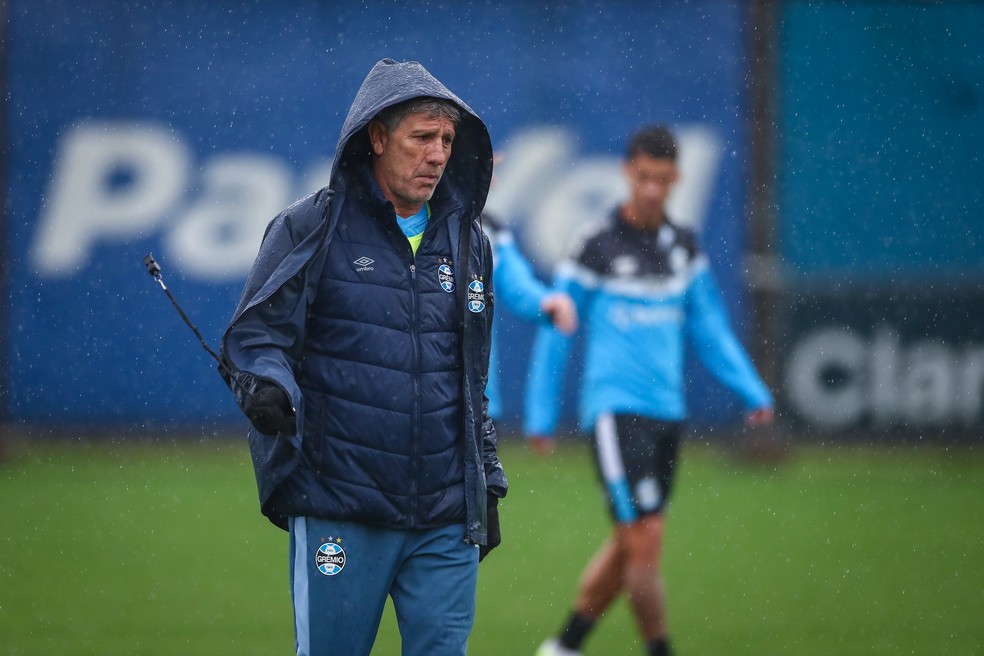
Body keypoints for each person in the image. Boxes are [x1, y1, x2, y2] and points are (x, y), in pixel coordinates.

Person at [219, 58, 506, 656]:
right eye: (421, 137)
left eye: (447, 140)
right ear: (377, 137)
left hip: (446, 514)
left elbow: (471, 374)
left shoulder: (469, 240)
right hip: (340, 503)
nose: (438, 155)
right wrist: (268, 387)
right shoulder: (310, 226)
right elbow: (259, 337)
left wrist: (488, 479)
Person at [526, 125, 774, 656]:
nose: (653, 190)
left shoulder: (682, 247)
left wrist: (751, 389)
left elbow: (709, 328)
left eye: (663, 180)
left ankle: (565, 645)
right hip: (616, 413)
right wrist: (541, 414)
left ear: (676, 179)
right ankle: (660, 650)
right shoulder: (596, 243)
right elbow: (557, 325)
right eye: (644, 178)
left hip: (667, 414)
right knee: (646, 542)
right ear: (627, 173)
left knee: (631, 541)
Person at [483, 212, 577, 424]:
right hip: (409, 396)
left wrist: (543, 302)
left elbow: (516, 283)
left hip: (477, 401)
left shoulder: (489, 229)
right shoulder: (394, 222)